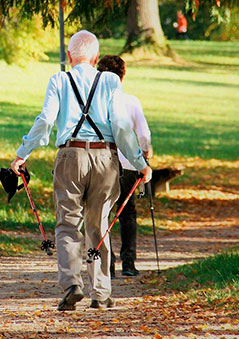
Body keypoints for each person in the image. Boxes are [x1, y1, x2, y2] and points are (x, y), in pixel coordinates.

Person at [10, 30, 152, 311]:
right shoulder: (110, 81)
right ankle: (101, 293)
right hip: (105, 158)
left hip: (70, 156)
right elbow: (122, 128)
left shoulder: (59, 80)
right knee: (99, 225)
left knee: (67, 223)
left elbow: (46, 121)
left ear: (70, 57)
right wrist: (140, 163)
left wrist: (22, 154)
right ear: (96, 57)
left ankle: (72, 285)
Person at [97, 55, 152, 278]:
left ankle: (107, 264)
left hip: (103, 162)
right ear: (123, 75)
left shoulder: (96, 102)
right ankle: (128, 262)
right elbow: (144, 135)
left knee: (103, 212)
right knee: (127, 213)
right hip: (129, 163)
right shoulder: (131, 101)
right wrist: (146, 155)